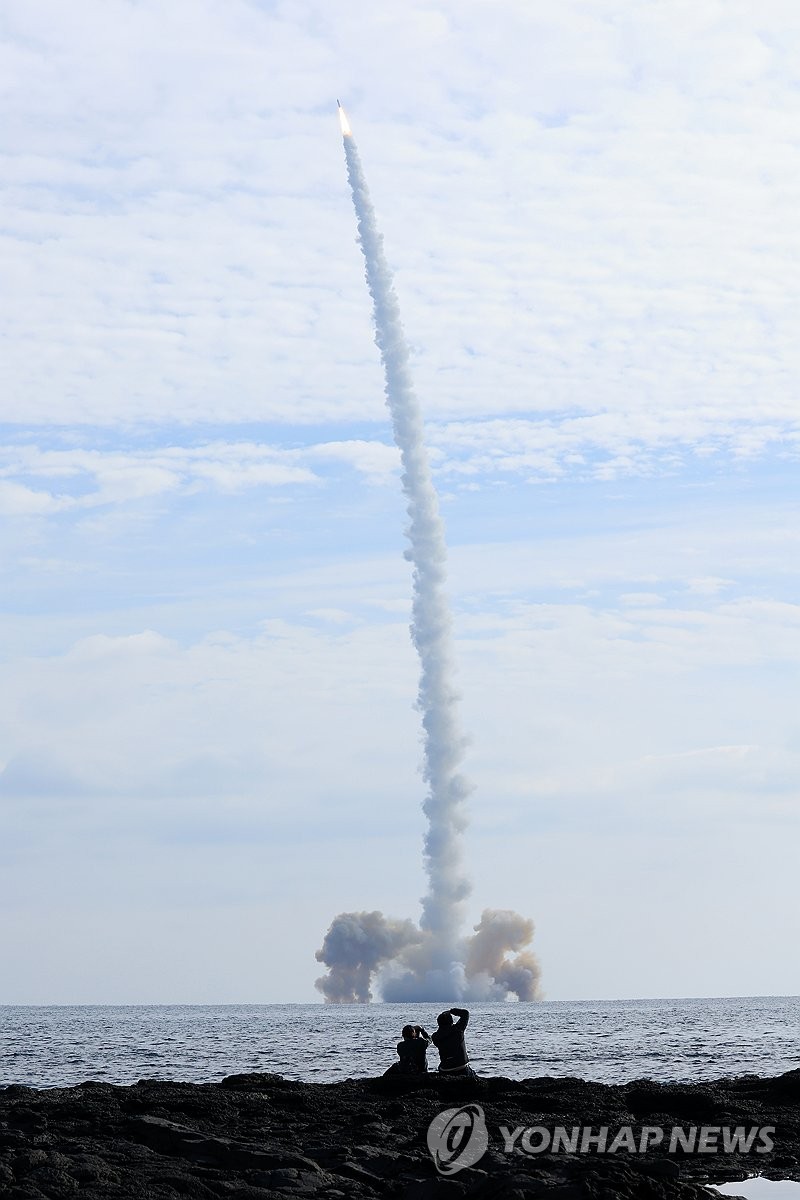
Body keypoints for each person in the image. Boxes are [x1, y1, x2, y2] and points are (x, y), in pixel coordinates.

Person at [431, 1007, 472, 1075]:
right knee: (473, 1075)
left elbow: (441, 1033)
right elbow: (465, 1013)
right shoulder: (458, 1029)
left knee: (440, 1067)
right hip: (461, 1066)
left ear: (439, 1023)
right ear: (451, 1021)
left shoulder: (435, 1037)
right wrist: (451, 1011)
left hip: (446, 1068)